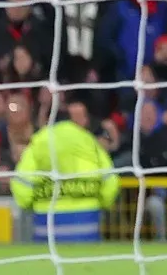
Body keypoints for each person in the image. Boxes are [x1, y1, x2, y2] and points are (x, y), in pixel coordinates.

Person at [11, 101, 122, 242]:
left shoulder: (39, 140)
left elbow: (22, 182)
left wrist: (29, 204)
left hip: (47, 221)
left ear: (46, 119)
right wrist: (104, 202)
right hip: (87, 220)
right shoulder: (87, 139)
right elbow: (109, 178)